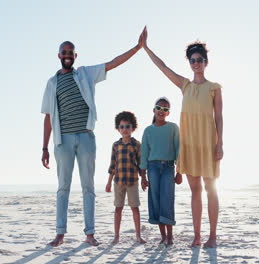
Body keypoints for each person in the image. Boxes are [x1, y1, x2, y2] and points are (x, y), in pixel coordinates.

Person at [41, 34, 143, 247]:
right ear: (59, 55)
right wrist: (44, 147)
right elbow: (49, 117)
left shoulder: (86, 74)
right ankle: (60, 233)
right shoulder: (52, 83)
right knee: (63, 188)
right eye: (64, 52)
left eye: (71, 52)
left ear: (75, 56)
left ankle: (90, 233)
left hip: (86, 137)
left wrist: (137, 48)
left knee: (88, 187)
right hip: (63, 141)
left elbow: (112, 63)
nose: (68, 55)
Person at [139, 27, 224, 248]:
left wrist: (220, 144)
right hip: (189, 146)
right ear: (189, 62)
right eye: (192, 60)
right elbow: (163, 67)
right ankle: (197, 237)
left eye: (199, 59)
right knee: (195, 191)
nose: (196, 63)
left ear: (206, 62)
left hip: (208, 145)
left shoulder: (214, 89)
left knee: (211, 189)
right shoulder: (184, 85)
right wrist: (145, 48)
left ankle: (212, 236)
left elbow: (219, 118)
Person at [139, 97, 181, 246]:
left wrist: (179, 172)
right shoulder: (148, 130)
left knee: (167, 200)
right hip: (153, 168)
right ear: (154, 110)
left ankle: (170, 237)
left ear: (168, 113)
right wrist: (143, 177)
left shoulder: (173, 128)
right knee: (155, 200)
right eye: (159, 107)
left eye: (165, 109)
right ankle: (163, 236)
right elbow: (144, 154)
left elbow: (178, 150)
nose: (161, 111)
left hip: (169, 168)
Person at [105, 111, 148, 245]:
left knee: (135, 208)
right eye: (122, 127)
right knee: (118, 208)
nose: (125, 129)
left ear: (133, 128)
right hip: (118, 181)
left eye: (128, 126)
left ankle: (138, 235)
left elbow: (141, 164)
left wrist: (143, 179)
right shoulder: (115, 145)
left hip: (132, 181)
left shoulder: (136, 145)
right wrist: (108, 183)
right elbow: (112, 165)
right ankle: (116, 236)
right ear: (118, 129)